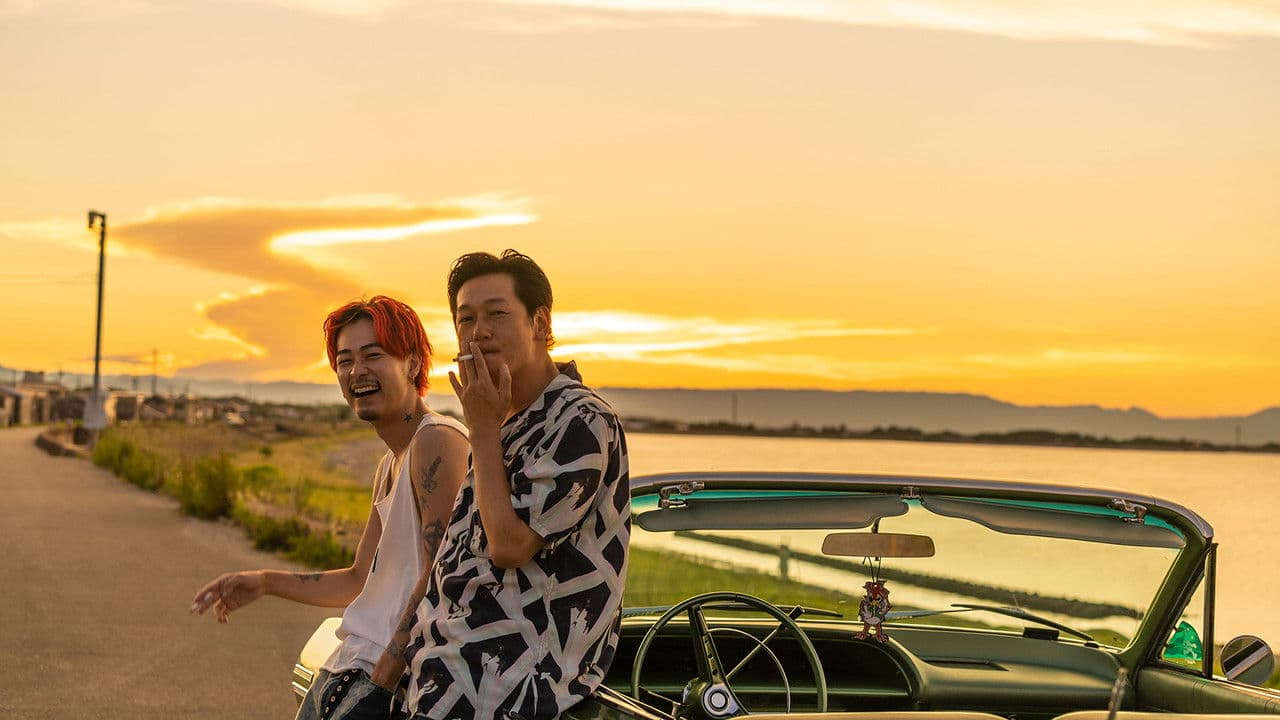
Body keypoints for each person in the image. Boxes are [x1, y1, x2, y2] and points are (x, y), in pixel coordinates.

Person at [191, 296, 469, 720]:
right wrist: (264, 582)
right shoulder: (390, 464)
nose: (357, 371)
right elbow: (359, 579)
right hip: (347, 668)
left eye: (373, 355)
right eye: (345, 360)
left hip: (382, 680)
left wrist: (386, 673)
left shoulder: (437, 440)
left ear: (412, 363)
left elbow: (441, 574)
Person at [402, 250, 630, 720]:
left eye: (497, 314)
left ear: (540, 323)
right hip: (444, 678)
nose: (478, 332)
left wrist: (482, 430)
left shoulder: (581, 420)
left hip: (512, 689)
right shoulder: (503, 418)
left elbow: (509, 546)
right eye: (466, 319)